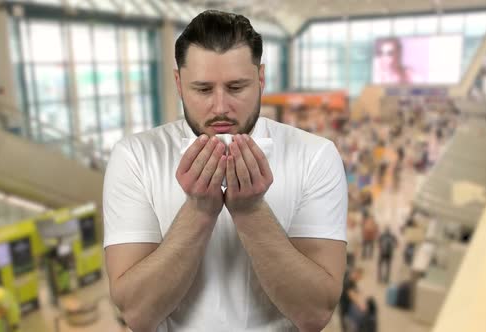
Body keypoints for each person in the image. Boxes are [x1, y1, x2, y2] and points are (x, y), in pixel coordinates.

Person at [103, 10, 348, 332]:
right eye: (203, 90)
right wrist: (199, 210)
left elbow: (315, 313)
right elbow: (137, 314)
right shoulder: (135, 156)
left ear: (260, 79)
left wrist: (251, 211)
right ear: (178, 83)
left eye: (236, 87)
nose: (220, 107)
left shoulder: (315, 155)